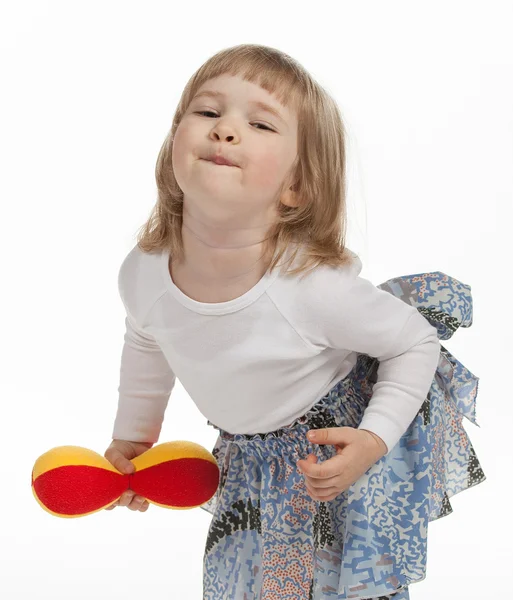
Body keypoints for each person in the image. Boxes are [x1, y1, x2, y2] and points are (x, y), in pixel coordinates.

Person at [103, 44, 486, 600]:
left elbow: (414, 342)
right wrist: (133, 439)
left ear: (296, 188)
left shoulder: (310, 288)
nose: (225, 130)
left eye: (259, 123)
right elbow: (146, 338)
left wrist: (373, 441)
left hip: (332, 446)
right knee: (244, 584)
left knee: (341, 588)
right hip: (250, 455)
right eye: (208, 112)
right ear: (171, 150)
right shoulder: (142, 272)